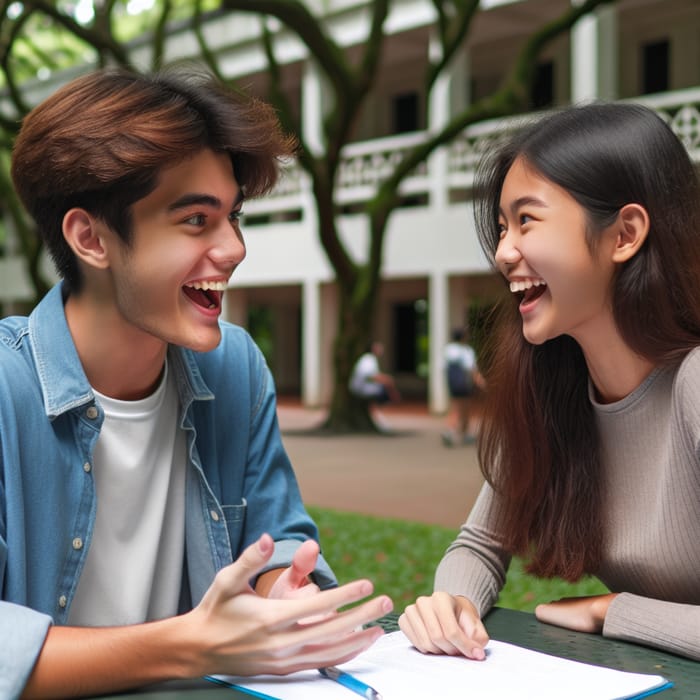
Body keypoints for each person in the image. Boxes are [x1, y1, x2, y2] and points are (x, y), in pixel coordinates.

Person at [0, 67, 393, 698]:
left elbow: (279, 535)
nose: (234, 247)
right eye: (195, 220)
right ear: (89, 237)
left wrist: (277, 591)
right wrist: (192, 642)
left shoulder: (233, 366)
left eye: (231, 217)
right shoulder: (5, 388)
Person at [399, 103, 700, 662]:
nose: (504, 252)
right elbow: (480, 545)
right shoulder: (552, 388)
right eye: (501, 228)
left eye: (527, 221)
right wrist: (452, 603)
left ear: (625, 234)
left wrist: (614, 610)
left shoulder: (694, 382)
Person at [441, 326, 485, 446]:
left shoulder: (448, 350)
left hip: (453, 384)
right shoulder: (466, 350)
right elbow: (472, 370)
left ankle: (450, 431)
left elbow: (443, 368)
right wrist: (481, 382)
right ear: (463, 337)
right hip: (464, 384)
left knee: (455, 407)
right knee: (465, 408)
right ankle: (463, 433)